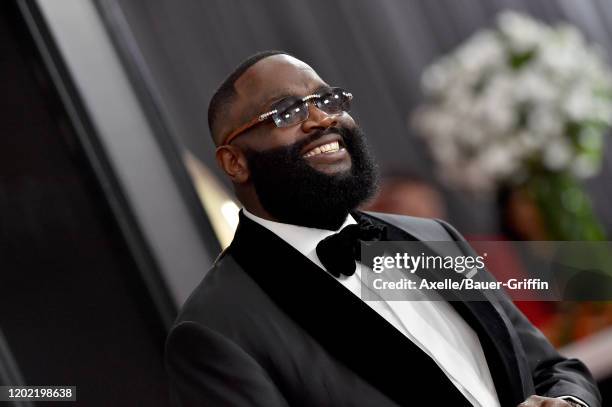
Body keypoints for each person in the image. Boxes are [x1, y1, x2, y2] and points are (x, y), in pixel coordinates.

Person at [164, 51, 600, 407]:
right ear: (234, 162)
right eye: (286, 111)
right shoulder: (216, 329)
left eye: (328, 100)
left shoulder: (434, 238)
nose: (321, 118)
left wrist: (568, 403)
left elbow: (551, 367)